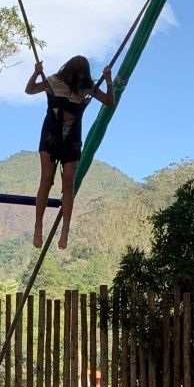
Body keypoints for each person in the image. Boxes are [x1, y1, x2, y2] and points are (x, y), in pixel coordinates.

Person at [25, 54, 115, 251]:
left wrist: (108, 80)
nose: (78, 80)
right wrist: (36, 73)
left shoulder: (86, 89)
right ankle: (38, 226)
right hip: (51, 136)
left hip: (72, 139)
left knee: (68, 184)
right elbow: (29, 90)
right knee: (46, 180)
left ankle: (65, 230)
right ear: (69, 72)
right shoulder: (54, 82)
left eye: (82, 77)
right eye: (76, 76)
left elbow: (109, 101)